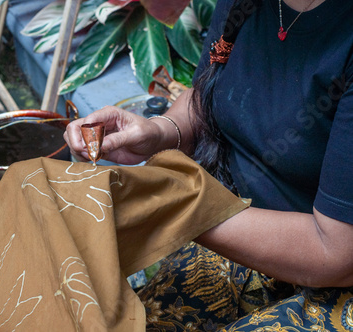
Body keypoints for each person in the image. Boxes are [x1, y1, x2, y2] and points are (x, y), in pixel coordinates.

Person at [64, 0, 353, 330]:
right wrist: (157, 131)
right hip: (235, 222)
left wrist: (178, 206)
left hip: (330, 277)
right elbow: (207, 93)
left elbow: (336, 254)